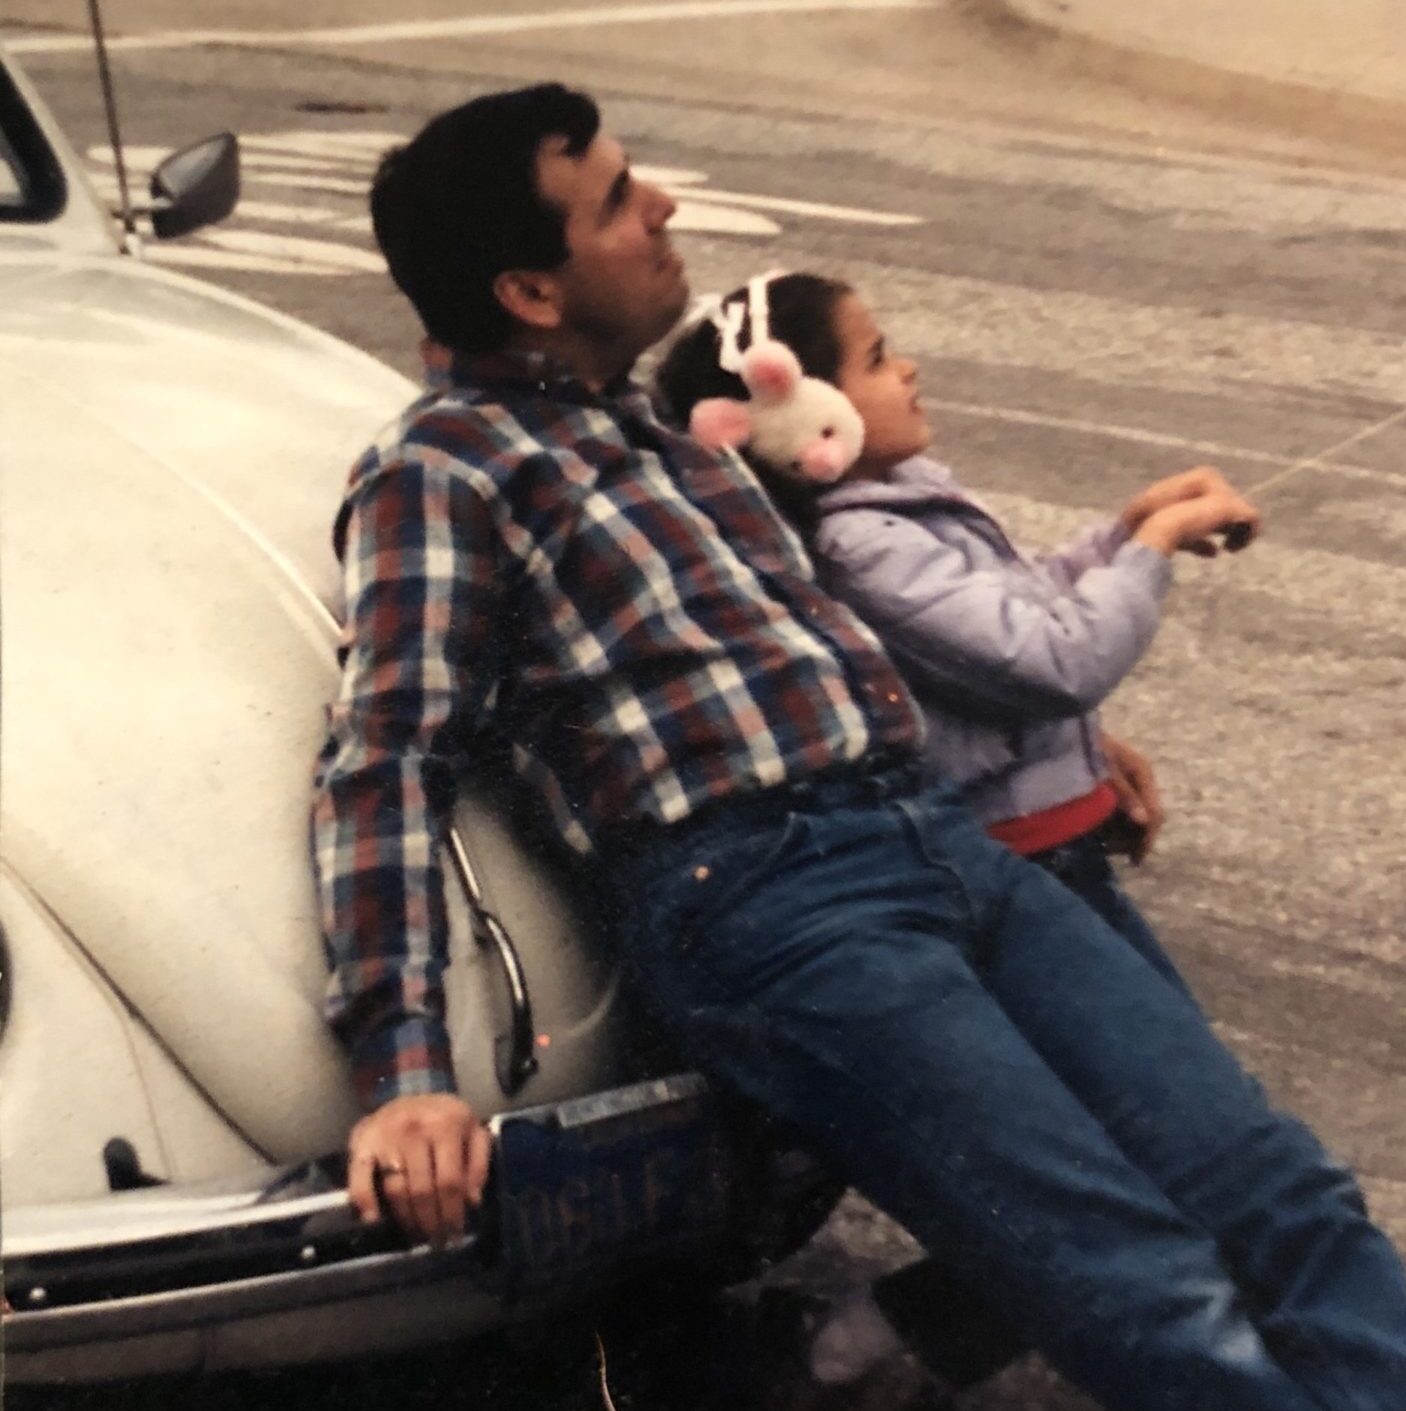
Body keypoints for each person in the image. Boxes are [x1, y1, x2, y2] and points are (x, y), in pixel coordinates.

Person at [311, 81, 1406, 1411]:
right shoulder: (447, 467)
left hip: (940, 836)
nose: (660, 207)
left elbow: (835, 648)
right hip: (775, 902)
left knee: (1273, 1188)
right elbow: (386, 758)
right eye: (612, 201)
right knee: (1125, 1262)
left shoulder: (674, 441)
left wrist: (1069, 731)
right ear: (530, 292)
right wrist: (404, 1069)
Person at [655, 270, 1242, 1001]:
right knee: (1156, 1068)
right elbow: (1057, 660)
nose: (907, 368)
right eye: (874, 359)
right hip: (1024, 852)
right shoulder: (863, 546)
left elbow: (1019, 604)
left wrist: (1123, 534)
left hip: (1055, 836)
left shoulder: (901, 496)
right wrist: (1155, 544)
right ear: (807, 414)